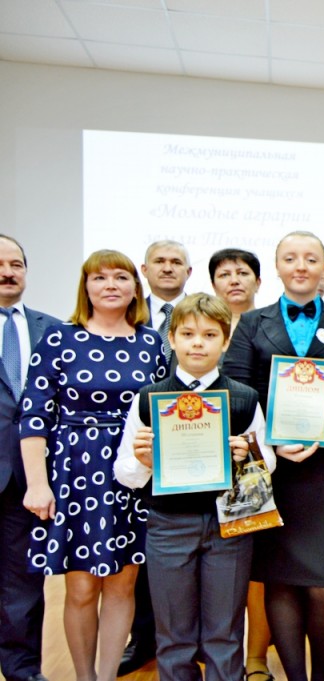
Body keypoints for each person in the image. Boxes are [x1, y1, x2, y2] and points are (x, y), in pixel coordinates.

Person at [223, 231, 324, 681]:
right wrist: (271, 441)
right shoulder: (252, 324)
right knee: (281, 581)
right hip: (276, 470)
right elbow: (236, 393)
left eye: (311, 259)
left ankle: (321, 677)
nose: (301, 266)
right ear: (277, 267)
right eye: (290, 258)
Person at [113, 293, 276, 681]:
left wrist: (248, 455)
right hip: (168, 526)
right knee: (174, 635)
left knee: (225, 632)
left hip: (229, 528)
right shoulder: (149, 399)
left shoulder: (244, 399)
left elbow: (268, 463)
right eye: (187, 334)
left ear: (225, 341)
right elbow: (123, 472)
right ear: (171, 339)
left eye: (209, 335)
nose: (198, 343)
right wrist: (144, 462)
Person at [21, 249, 166, 681]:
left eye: (121, 276)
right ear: (85, 287)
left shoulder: (151, 342)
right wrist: (37, 484)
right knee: (82, 586)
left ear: (135, 288)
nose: (110, 285)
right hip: (75, 473)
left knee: (123, 584)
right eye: (99, 277)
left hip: (134, 472)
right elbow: (34, 416)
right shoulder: (59, 338)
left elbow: (166, 410)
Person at [121, 239, 194, 674]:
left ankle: (194, 643)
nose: (168, 268)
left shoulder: (200, 317)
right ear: (144, 270)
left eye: (176, 262)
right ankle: (144, 638)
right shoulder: (127, 316)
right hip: (141, 451)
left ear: (189, 272)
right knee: (142, 556)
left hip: (196, 454)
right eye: (159, 262)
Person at [208, 248, 274, 680]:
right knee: (212, 571)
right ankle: (215, 653)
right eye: (225, 273)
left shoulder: (270, 328)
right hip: (198, 471)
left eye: (243, 272)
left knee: (256, 570)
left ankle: (255, 657)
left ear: (258, 281)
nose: (234, 279)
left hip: (256, 462)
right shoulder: (197, 327)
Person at [0, 234, 58, 681]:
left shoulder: (53, 330)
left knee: (23, 583)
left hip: (29, 478)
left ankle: (23, 672)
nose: (7, 272)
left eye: (16, 264)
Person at [209, 248, 262, 334]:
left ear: (257, 283)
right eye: (224, 275)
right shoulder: (204, 326)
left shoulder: (275, 325)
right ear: (213, 286)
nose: (234, 281)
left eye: (243, 273)